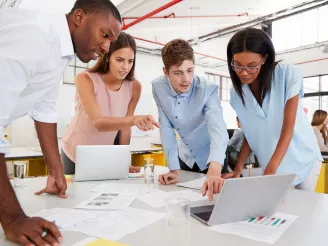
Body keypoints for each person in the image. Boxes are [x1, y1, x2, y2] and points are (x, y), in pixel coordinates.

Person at [0, 1, 122, 245]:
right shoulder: (37, 35)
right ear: (79, 17)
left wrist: (56, 171)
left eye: (111, 41)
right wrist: (12, 218)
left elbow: (45, 110)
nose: (107, 47)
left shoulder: (59, 52)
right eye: (105, 35)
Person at [212, 28, 322, 196]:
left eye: (251, 66)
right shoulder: (236, 93)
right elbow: (249, 131)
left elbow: (288, 129)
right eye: (238, 65)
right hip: (272, 165)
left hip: (303, 159)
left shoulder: (287, 74)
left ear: (264, 59)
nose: (243, 72)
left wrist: (269, 173)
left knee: (301, 213)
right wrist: (238, 168)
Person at [61, 32, 159, 174]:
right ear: (107, 58)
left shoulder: (134, 87)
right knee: (74, 194)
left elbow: (125, 127)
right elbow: (98, 123)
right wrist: (134, 120)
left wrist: (123, 159)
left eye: (130, 61)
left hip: (104, 155)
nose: (125, 67)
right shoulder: (85, 79)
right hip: (75, 152)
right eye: (120, 60)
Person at [152, 39, 229, 200]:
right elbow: (166, 127)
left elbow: (218, 128)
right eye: (178, 73)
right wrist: (173, 168)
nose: (186, 79)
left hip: (213, 157)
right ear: (166, 72)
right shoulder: (158, 87)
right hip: (185, 156)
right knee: (184, 200)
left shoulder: (207, 89)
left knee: (215, 202)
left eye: (190, 70)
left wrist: (215, 171)